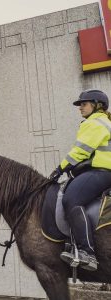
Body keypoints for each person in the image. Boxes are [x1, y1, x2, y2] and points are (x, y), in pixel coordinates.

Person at [49, 89, 111, 271]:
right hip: (104, 171)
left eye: (83, 104)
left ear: (96, 105)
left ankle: (87, 252)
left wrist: (60, 168)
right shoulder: (105, 122)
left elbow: (80, 151)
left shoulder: (94, 123)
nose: (80, 108)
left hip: (103, 172)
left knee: (71, 199)